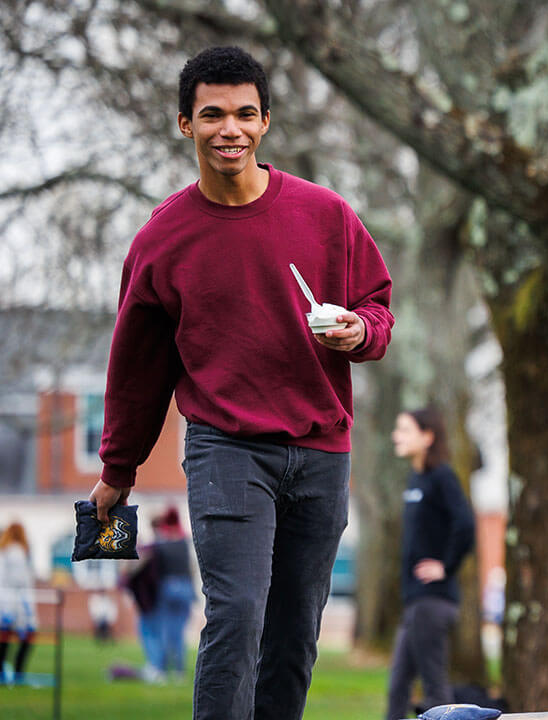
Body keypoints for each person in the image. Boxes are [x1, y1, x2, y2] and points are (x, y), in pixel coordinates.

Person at [86, 46, 394, 720]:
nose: (231, 128)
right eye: (214, 114)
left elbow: (377, 307)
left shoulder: (325, 214)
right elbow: (137, 370)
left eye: (246, 114)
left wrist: (358, 332)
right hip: (227, 448)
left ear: (265, 122)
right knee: (238, 614)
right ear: (185, 124)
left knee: (294, 634)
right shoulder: (162, 240)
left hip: (321, 450)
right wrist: (118, 467)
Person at [386, 407, 476, 720]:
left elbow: (465, 525)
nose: (396, 436)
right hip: (415, 601)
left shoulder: (442, 477)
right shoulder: (416, 479)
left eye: (405, 430)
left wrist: (445, 566)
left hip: (433, 601)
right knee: (397, 687)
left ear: (427, 436)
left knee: (435, 690)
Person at [137, 507, 197, 682]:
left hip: (168, 587)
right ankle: (179, 672)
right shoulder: (184, 543)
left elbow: (142, 561)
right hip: (185, 588)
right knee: (178, 633)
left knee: (164, 631)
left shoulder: (158, 545)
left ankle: (161, 671)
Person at [0, 522, 37, 684]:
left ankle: (10, 672)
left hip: (15, 599)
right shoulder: (15, 552)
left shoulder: (11, 552)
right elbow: (20, 580)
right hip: (14, 599)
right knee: (22, 636)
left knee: (7, 636)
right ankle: (17, 672)